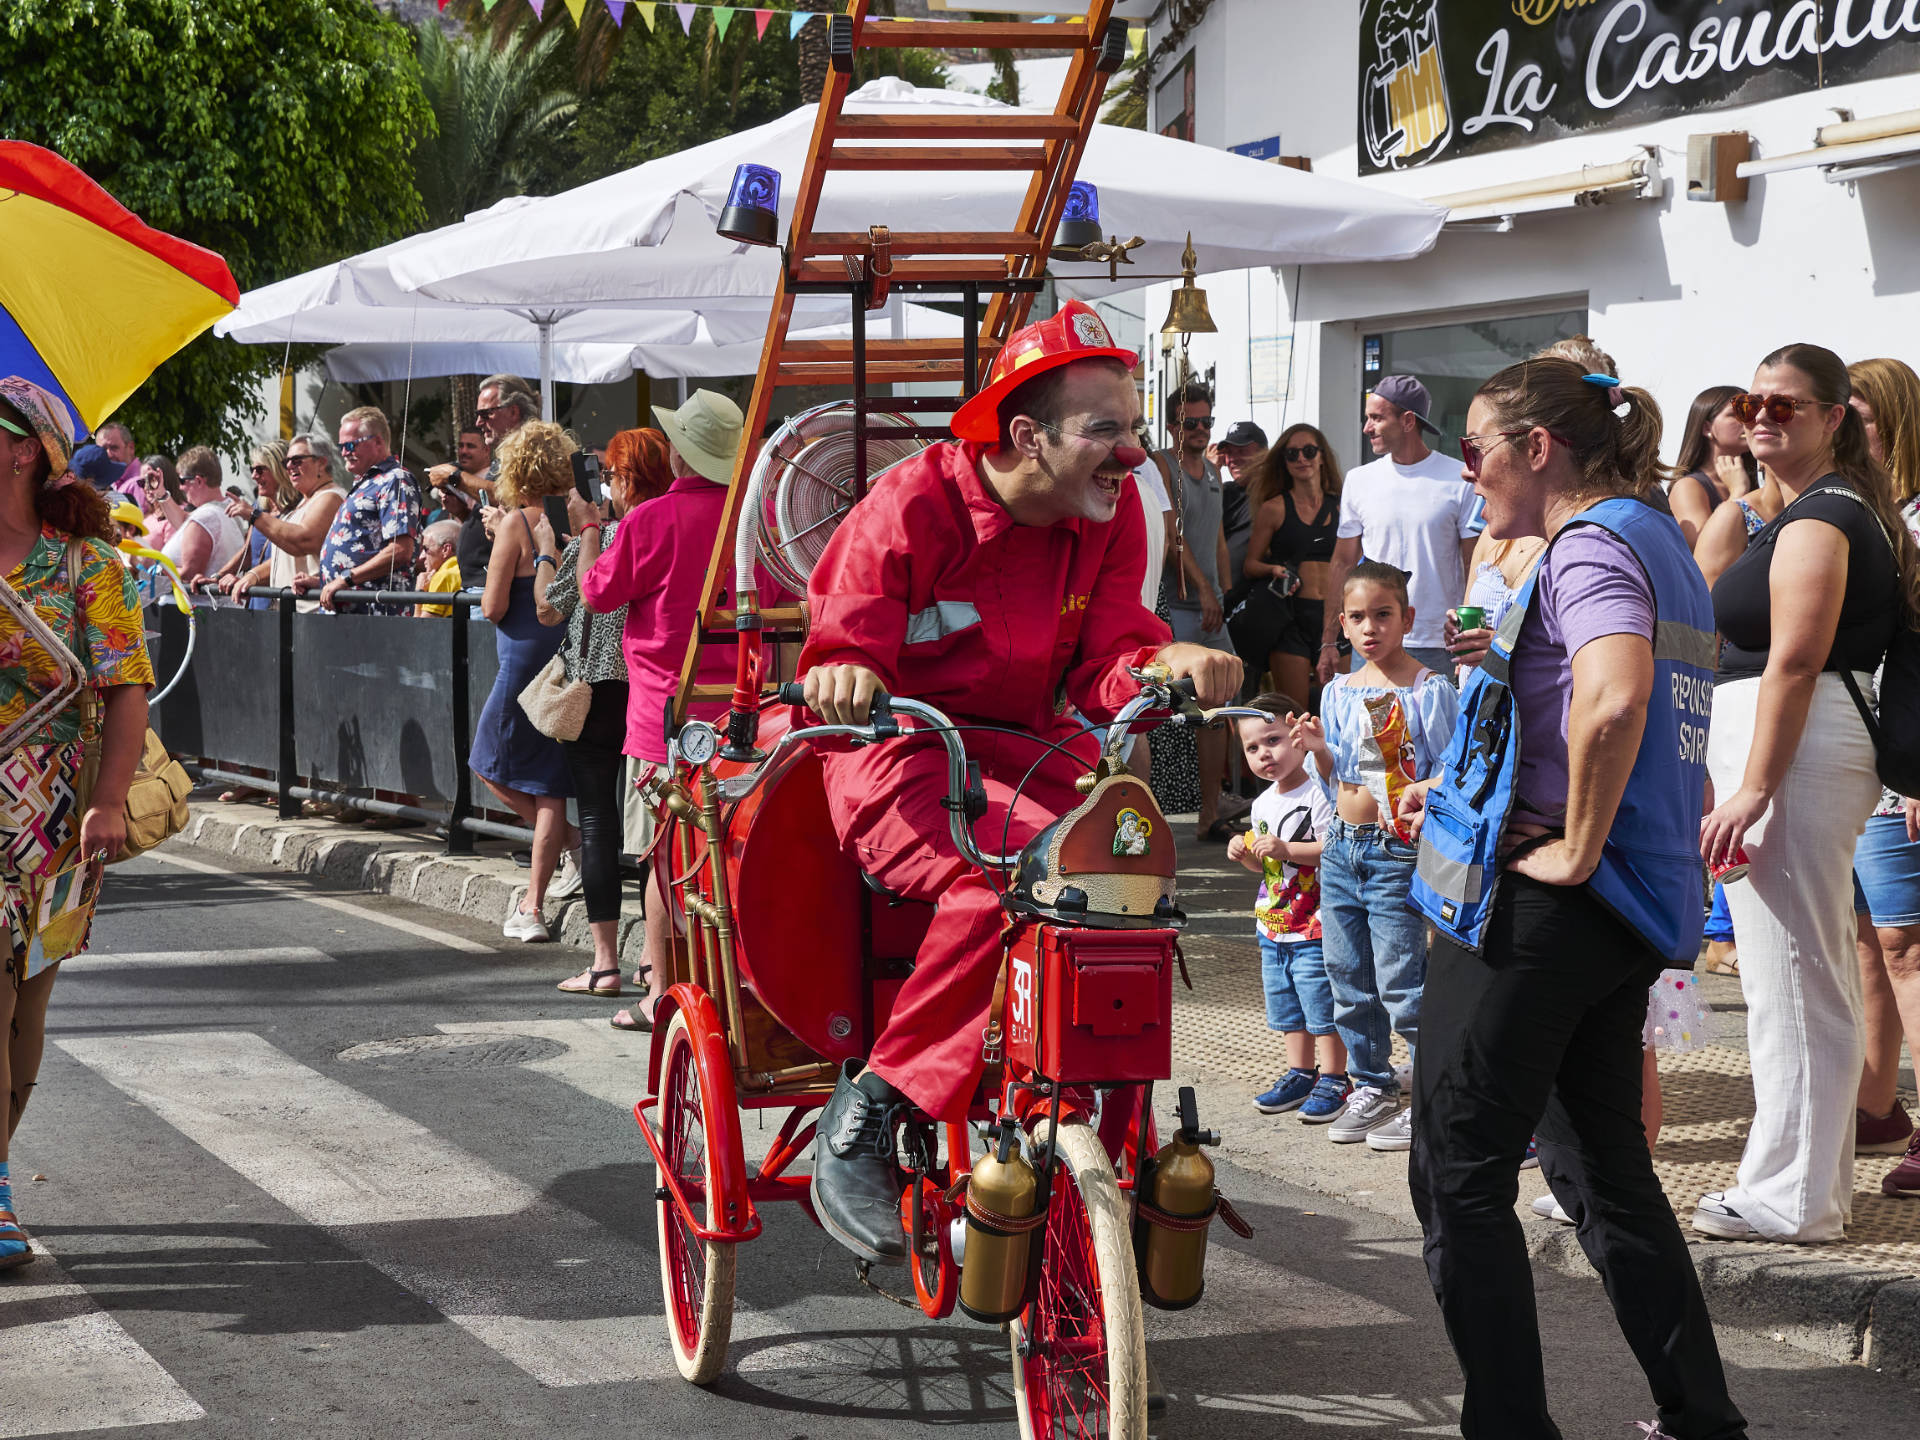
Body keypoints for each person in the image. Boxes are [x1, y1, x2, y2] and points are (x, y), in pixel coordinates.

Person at [791, 301, 1240, 1264]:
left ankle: (1110, 1136)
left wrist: (1164, 666)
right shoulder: (910, 504)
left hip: (1033, 755)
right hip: (900, 751)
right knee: (1004, 882)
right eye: (1107, 431)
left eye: (1135, 427)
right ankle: (869, 1113)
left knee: (1124, 882)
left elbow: (1108, 658)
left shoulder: (1109, 515)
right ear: (1027, 436)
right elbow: (844, 643)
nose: (1132, 455)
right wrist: (846, 670)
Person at [1392, 357, 1744, 1439]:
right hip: (1628, 911)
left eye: (1478, 449)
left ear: (1537, 449)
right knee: (1603, 1171)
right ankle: (1703, 1417)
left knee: (1458, 1172)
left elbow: (1615, 698)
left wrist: (1575, 846)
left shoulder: (1588, 544)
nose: (1469, 472)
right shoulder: (1657, 541)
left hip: (1548, 905)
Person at [1697, 343, 1914, 1244]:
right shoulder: (1805, 511)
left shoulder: (1826, 516)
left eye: (1787, 405)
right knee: (1796, 969)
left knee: (1793, 972)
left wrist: (1753, 786)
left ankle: (1793, 1196)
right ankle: (1797, 1188)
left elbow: (1795, 657)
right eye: (1755, 400)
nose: (1763, 416)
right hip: (1794, 743)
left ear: (1835, 418)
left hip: (1797, 746)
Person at [0, 378, 154, 1274]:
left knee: (27, 1004)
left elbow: (125, 692)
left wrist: (104, 803)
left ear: (25, 452)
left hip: (56, 811)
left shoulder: (86, 568)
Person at [581, 396, 764, 1029]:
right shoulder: (755, 521)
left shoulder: (649, 520)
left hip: (664, 717)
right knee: (731, 856)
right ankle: (726, 984)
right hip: (745, 714)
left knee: (665, 859)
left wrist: (587, 533)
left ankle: (661, 992)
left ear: (682, 451)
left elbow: (597, 593)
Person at [1291, 562, 1457, 1151]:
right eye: (1357, 617)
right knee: (1347, 975)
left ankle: (1435, 1090)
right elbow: (1339, 770)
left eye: (1383, 615)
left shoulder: (1428, 690)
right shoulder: (1338, 690)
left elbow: (1445, 769)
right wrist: (1317, 750)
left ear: (1408, 619)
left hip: (1396, 849)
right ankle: (1371, 1082)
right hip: (1340, 845)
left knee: (1400, 979)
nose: (1370, 628)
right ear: (1342, 624)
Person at [1844, 356, 1920, 1193]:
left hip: (1903, 756)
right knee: (1868, 937)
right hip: (1856, 749)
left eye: (1853, 414)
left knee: (1906, 942)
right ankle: (1875, 1107)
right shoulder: (1871, 511)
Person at [534, 468, 642, 1005]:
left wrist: (548, 550)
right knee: (653, 827)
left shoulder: (600, 538)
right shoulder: (650, 530)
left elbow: (549, 607)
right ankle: (654, 959)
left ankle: (604, 965)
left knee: (598, 819)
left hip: (594, 691)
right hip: (647, 688)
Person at [472, 420, 583, 943]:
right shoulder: (578, 520)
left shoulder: (517, 521)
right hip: (568, 662)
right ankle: (574, 848)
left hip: (520, 662)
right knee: (549, 785)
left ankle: (533, 903)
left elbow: (492, 607)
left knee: (491, 766)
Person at [1229, 693, 1348, 1122]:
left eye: (1274, 740)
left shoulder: (1317, 792)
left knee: (1322, 1004)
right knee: (1286, 1006)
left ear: (1299, 738)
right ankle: (1300, 1072)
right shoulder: (1262, 803)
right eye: (1253, 748)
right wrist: (1245, 854)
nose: (1265, 754)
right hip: (1275, 921)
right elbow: (1267, 867)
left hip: (1315, 921)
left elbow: (1332, 849)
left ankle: (1336, 1075)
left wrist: (1286, 847)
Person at [1317, 375, 1477, 684]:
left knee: (1435, 733)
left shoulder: (1458, 479)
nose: (1367, 428)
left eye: (1376, 418)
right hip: (1372, 641)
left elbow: (1474, 565)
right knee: (1366, 734)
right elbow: (1342, 563)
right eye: (1367, 418)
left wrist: (1468, 637)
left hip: (1438, 643)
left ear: (1407, 421)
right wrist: (1329, 640)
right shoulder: (1358, 480)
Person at [1154, 383, 1238, 842]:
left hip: (1211, 606)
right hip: (1181, 604)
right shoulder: (1161, 465)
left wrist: (1224, 591)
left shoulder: (1212, 471)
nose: (1202, 429)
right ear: (1173, 426)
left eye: (1207, 421)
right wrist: (1205, 591)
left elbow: (1218, 537)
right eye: (1192, 422)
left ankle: (1209, 811)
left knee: (1220, 707)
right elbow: (1172, 539)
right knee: (1166, 712)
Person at [1230, 423, 1340, 707]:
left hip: (1334, 618)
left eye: (1309, 451)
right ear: (1284, 461)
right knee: (1295, 715)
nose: (1301, 459)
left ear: (1321, 457)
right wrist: (1272, 570)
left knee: (1340, 711)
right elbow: (1250, 565)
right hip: (1290, 618)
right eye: (1292, 454)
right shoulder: (1274, 508)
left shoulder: (1341, 506)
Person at [294, 407, 420, 615]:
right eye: (341, 446)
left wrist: (346, 579)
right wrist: (324, 582)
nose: (344, 452)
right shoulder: (367, 482)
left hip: (374, 614)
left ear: (378, 442)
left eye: (351, 445)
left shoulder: (395, 479)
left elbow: (400, 550)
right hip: (350, 610)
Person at [220, 433, 344, 616]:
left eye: (297, 460)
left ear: (321, 462)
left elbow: (301, 541)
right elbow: (280, 558)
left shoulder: (330, 497)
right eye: (287, 461)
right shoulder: (306, 501)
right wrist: (248, 576)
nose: (289, 466)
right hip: (288, 612)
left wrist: (254, 515)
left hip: (312, 613)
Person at [462, 375, 537, 594]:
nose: (478, 423)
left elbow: (509, 499)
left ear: (513, 412)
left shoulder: (529, 454)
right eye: (478, 415)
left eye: (486, 414)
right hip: (484, 584)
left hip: (503, 587)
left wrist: (455, 477)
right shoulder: (504, 456)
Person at [1668, 385, 1760, 549]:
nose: (1748, 421)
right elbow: (1701, 550)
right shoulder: (1688, 487)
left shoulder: (1753, 482)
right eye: (1735, 414)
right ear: (1707, 428)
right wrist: (1737, 493)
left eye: (1750, 413)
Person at [163, 446, 245, 599]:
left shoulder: (206, 516)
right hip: (216, 609)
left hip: (195, 612)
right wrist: (161, 495)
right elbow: (183, 521)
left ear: (199, 481)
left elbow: (189, 574)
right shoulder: (230, 509)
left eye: (182, 480)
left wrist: (155, 569)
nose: (180, 487)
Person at [1215, 418, 1265, 585]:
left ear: (1262, 454)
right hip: (1222, 600)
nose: (1233, 459)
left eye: (1242, 451)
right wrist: (1212, 469)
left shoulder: (1275, 493)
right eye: (1228, 453)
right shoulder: (1223, 492)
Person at [413, 520, 463, 618]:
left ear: (445, 549)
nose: (421, 556)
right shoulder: (466, 570)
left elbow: (421, 628)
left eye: (426, 549)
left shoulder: (443, 576)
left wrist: (419, 593)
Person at [96, 422, 142, 498]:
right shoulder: (111, 480)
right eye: (103, 450)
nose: (108, 455)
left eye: (114, 448)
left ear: (131, 447)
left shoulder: (140, 482)